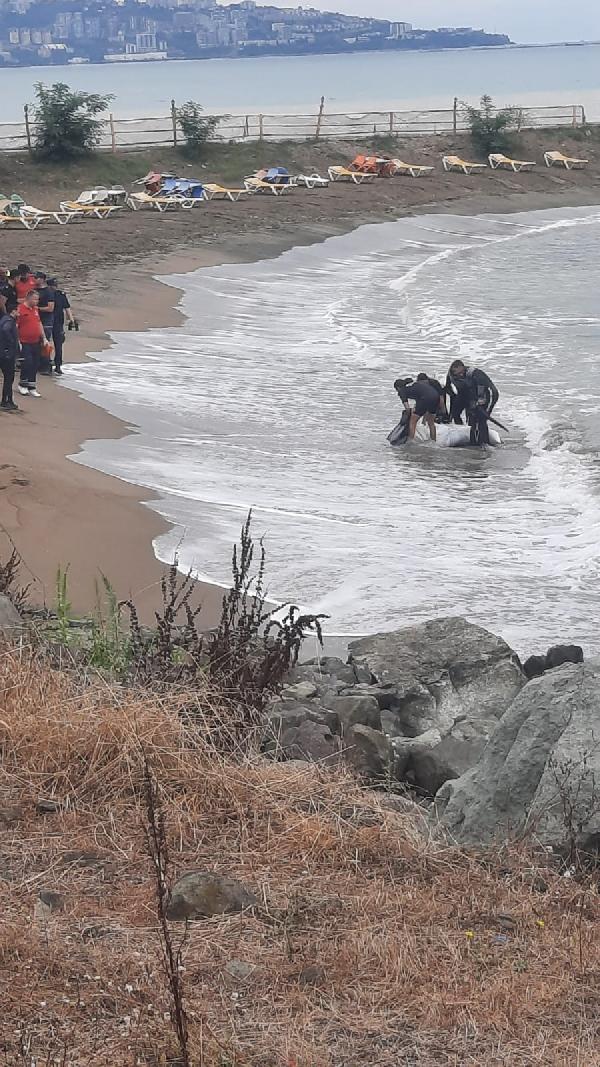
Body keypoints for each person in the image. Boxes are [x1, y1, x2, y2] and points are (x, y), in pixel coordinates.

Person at [445, 359, 499, 445]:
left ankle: (484, 443)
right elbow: (447, 388)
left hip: (488, 395)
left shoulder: (475, 373)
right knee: (465, 416)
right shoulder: (451, 375)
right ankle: (468, 437)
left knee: (481, 419)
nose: (460, 375)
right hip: (468, 395)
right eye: (457, 374)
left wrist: (478, 402)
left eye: (461, 373)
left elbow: (486, 389)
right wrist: (455, 398)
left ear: (463, 368)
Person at [17, 289, 45, 398]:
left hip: (36, 341)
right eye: (35, 299)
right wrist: (17, 341)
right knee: (27, 362)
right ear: (28, 298)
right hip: (24, 341)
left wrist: (44, 338)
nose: (37, 301)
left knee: (35, 363)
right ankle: (22, 383)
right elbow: (15, 326)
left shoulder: (35, 309)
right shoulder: (20, 309)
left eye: (37, 299)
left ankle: (32, 386)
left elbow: (39, 323)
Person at [394, 375, 439, 442]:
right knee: (431, 422)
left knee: (413, 421)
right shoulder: (413, 385)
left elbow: (407, 409)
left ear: (398, 388)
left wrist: (409, 413)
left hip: (425, 398)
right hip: (435, 396)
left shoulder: (402, 390)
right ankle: (433, 441)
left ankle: (410, 441)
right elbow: (421, 402)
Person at [48, 277, 74, 375]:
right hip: (47, 322)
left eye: (55, 285)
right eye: (53, 285)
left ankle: (58, 365)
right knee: (47, 344)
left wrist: (71, 320)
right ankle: (47, 364)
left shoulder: (61, 295)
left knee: (58, 345)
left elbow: (67, 308)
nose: (54, 287)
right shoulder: (47, 294)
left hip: (58, 323)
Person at [0, 294, 19, 411]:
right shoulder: (9, 321)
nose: (19, 313)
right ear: (13, 311)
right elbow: (5, 330)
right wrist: (12, 343)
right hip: (7, 354)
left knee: (8, 378)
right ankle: (6, 401)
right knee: (9, 378)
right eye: (18, 311)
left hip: (3, 352)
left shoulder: (3, 318)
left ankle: (7, 400)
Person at [35, 272, 56, 375]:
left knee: (45, 342)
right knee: (36, 343)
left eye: (37, 278)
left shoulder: (48, 292)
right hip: (35, 320)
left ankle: (47, 366)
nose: (35, 279)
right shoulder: (34, 290)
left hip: (46, 321)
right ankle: (39, 364)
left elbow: (50, 308)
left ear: (42, 279)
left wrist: (37, 308)